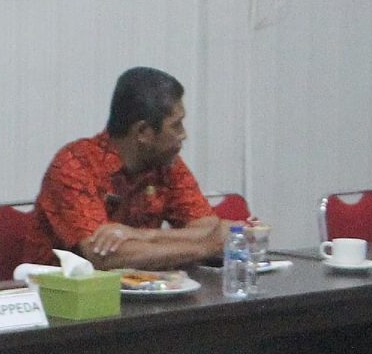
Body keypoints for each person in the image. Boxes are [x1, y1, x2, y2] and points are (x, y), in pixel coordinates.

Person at [24, 67, 224, 272]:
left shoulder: (167, 163)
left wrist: (143, 235)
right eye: (176, 125)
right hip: (64, 289)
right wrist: (205, 248)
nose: (183, 135)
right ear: (143, 132)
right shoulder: (74, 165)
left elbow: (212, 229)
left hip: (145, 287)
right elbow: (103, 256)